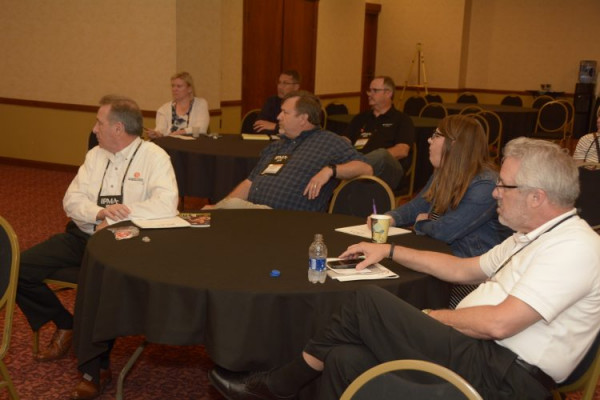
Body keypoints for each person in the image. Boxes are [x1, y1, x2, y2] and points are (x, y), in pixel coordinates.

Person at [208, 137, 600, 400]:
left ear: (537, 197)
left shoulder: (575, 247)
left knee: (367, 301)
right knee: (343, 359)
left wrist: (431, 318)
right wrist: (390, 250)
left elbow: (499, 324)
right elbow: (462, 270)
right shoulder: (531, 236)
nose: (496, 192)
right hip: (481, 354)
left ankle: (278, 385)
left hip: (507, 377)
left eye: (505, 186)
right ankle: (283, 386)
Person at [16, 95, 179, 399]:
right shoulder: (95, 156)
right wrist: (100, 212)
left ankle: (96, 369)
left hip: (126, 242)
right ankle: (65, 324)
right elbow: (71, 200)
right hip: (83, 235)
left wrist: (119, 217)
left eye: (99, 122)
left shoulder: (155, 157)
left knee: (98, 288)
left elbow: (167, 204)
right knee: (18, 268)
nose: (94, 129)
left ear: (118, 128)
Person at [382, 115, 511, 306]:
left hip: (469, 281)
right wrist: (388, 218)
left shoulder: (485, 184)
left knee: (400, 296)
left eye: (436, 135)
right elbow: (418, 205)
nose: (429, 140)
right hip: (440, 261)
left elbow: (445, 230)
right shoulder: (444, 172)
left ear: (455, 143)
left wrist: (421, 224)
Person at [208, 90, 372, 212]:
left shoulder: (328, 141)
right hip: (254, 211)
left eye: (285, 112)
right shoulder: (277, 145)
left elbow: (366, 168)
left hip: (287, 218)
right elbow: (249, 183)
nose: (278, 117)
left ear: (303, 118)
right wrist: (219, 207)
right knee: (217, 211)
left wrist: (330, 170)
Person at [343, 76, 414, 190]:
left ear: (388, 93)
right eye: (369, 90)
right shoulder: (360, 118)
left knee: (381, 154)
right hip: (356, 165)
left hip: (388, 170)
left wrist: (365, 160)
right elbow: (345, 140)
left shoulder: (402, 119)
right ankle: (350, 171)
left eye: (374, 91)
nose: (369, 94)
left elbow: (402, 150)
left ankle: (350, 170)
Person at [146, 71, 210, 138]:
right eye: (173, 86)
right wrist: (156, 134)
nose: (174, 89)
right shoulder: (164, 109)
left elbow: (201, 128)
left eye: (179, 86)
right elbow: (160, 130)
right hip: (170, 143)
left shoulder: (201, 104)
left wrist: (180, 132)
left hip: (193, 144)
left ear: (189, 89)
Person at [252, 70, 301, 134]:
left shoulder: (302, 103)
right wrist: (280, 129)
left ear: (296, 87)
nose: (280, 86)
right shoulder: (272, 101)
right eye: (279, 82)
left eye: (285, 83)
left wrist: (275, 127)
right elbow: (258, 126)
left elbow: (298, 130)